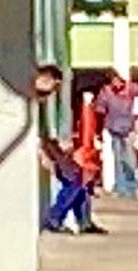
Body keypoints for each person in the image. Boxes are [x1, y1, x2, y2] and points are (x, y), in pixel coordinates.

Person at [36, 66, 101, 236]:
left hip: (50, 146)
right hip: (44, 147)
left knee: (80, 180)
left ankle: (83, 220)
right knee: (74, 181)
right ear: (45, 79)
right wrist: (45, 154)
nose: (55, 90)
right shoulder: (33, 100)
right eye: (54, 85)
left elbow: (43, 131)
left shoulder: (41, 101)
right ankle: (55, 218)